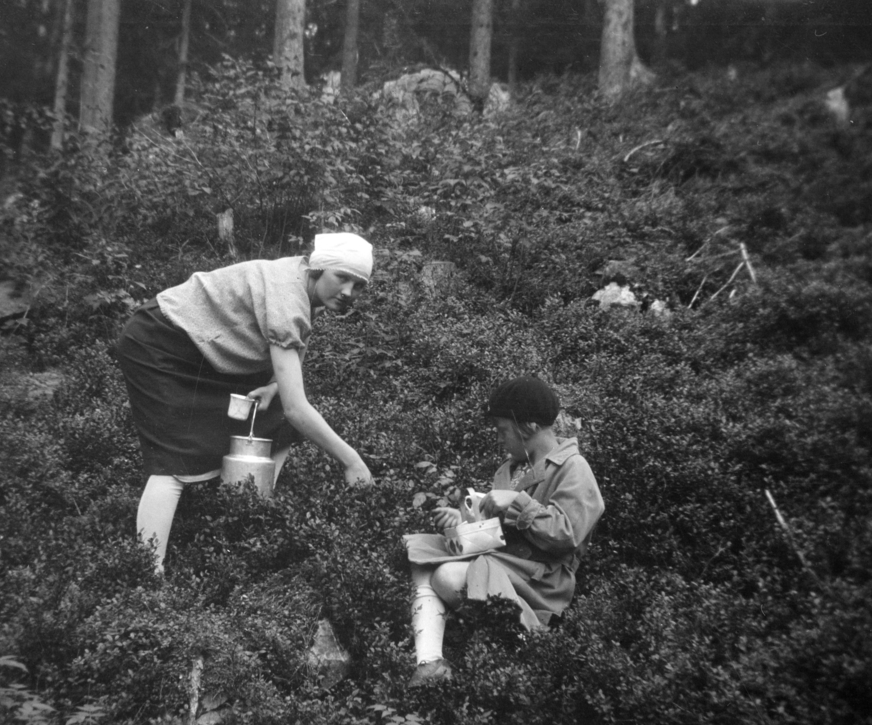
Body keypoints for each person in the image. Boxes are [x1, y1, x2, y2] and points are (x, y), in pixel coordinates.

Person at [115, 233, 375, 574]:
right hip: (158, 342)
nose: (347, 293)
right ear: (318, 268)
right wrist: (351, 461)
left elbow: (298, 338)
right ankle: (148, 573)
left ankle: (248, 518)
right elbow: (299, 407)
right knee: (176, 455)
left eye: (358, 286)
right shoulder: (288, 294)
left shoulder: (303, 281)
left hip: (205, 346)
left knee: (276, 417)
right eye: (342, 278)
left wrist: (271, 386)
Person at [404, 376, 605, 687]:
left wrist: (517, 502)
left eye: (503, 430)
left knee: (446, 577)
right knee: (423, 553)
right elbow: (495, 531)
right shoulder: (510, 469)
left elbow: (567, 534)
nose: (499, 438)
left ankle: (526, 642)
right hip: (501, 560)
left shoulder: (573, 468)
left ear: (529, 426)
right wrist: (461, 522)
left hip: (540, 577)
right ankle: (429, 661)